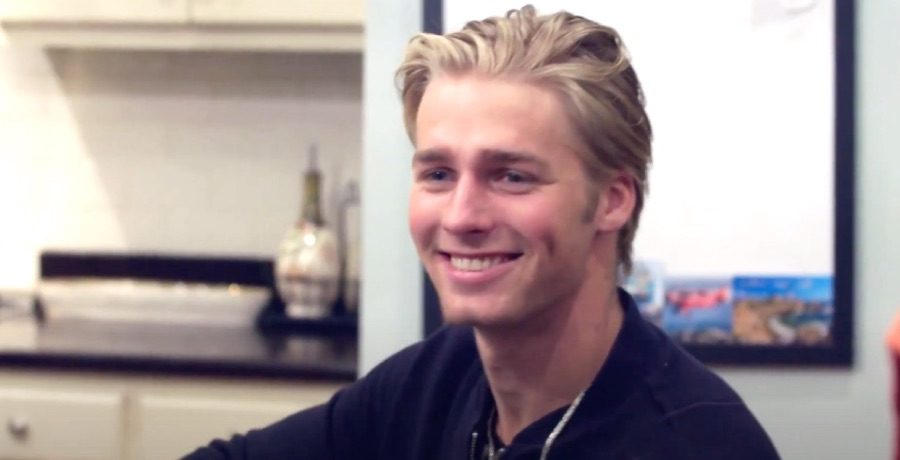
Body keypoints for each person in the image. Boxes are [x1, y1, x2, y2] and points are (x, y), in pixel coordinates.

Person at [185, 5, 779, 459]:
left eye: (512, 176)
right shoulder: (438, 378)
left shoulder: (698, 442)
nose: (461, 216)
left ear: (612, 200)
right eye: (438, 174)